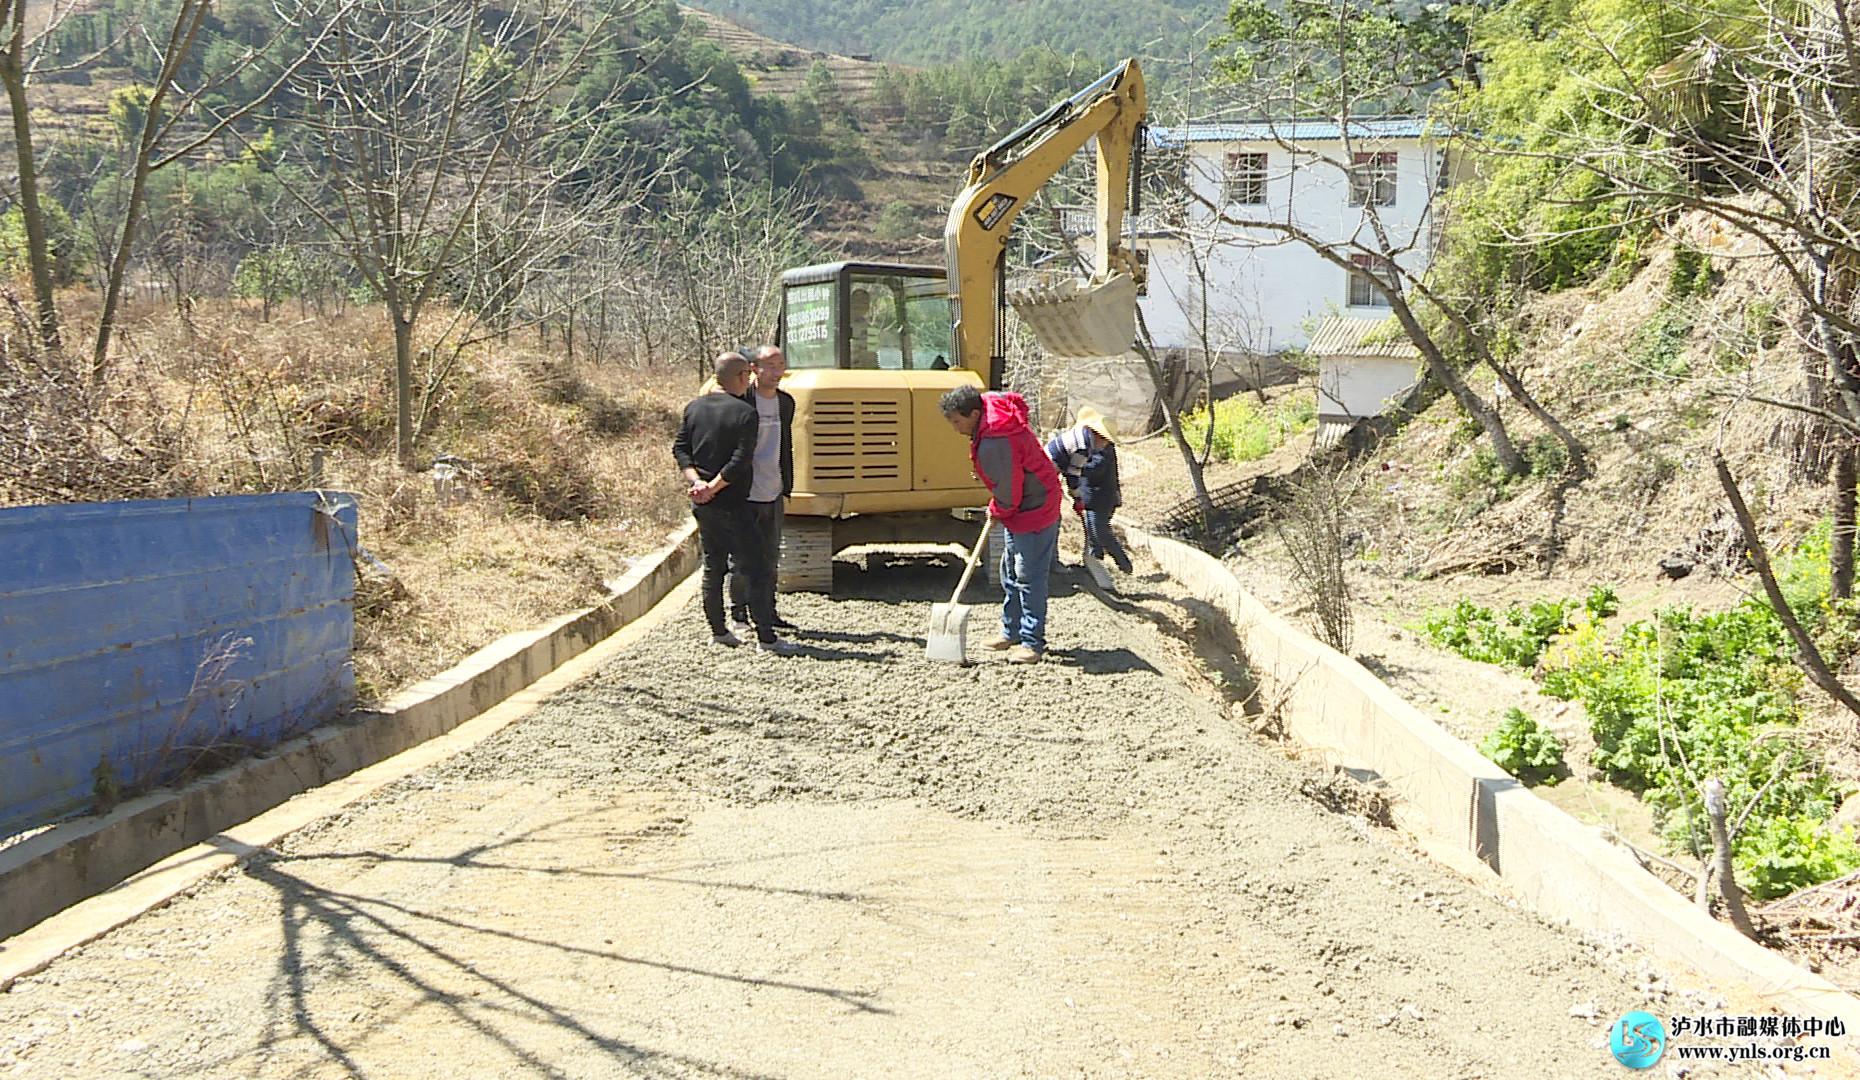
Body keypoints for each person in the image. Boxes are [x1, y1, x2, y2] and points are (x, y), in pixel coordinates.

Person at [939, 384, 1063, 665]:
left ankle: (1032, 643)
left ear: (973, 413)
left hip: (1035, 506)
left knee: (1028, 575)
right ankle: (1011, 631)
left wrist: (1000, 508)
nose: (955, 428)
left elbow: (1009, 487)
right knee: (1009, 569)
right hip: (1021, 505)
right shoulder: (987, 415)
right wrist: (1003, 507)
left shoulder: (996, 439)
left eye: (957, 421)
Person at [672, 352, 787, 653]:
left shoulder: (693, 408)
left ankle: (719, 631)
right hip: (735, 502)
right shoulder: (745, 413)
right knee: (757, 567)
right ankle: (766, 637)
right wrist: (714, 486)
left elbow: (681, 449)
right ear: (739, 377)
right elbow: (739, 461)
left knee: (713, 566)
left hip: (703, 503)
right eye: (746, 376)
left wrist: (697, 483)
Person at [728, 345, 798, 633]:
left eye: (780, 364)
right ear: (754, 369)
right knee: (741, 557)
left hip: (773, 489)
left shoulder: (786, 402)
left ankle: (767, 611)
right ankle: (738, 613)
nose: (777, 371)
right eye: (770, 365)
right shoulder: (741, 401)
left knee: (770, 555)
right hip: (745, 492)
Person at [1046, 406, 1133, 578]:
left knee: (1098, 530)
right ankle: (1094, 560)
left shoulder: (1100, 449)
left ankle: (1123, 564)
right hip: (1089, 495)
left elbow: (1087, 470)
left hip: (1101, 496)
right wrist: (1076, 492)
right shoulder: (1084, 445)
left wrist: (1075, 484)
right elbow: (1073, 472)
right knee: (1092, 531)